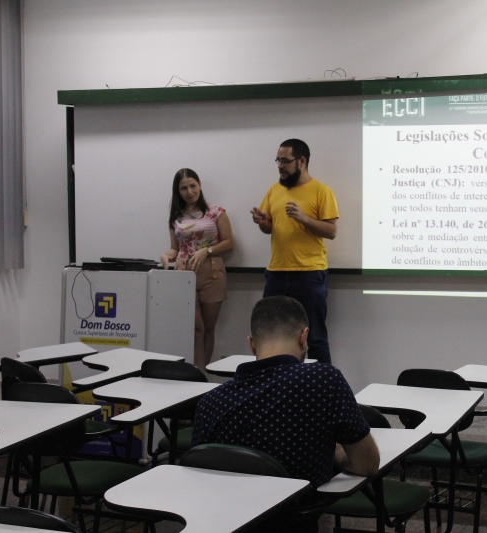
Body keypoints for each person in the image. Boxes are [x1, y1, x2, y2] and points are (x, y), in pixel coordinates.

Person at [191, 296, 379, 532]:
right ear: (304, 337)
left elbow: (199, 478)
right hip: (294, 523)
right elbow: (367, 464)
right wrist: (336, 454)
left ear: (251, 344)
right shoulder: (324, 381)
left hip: (225, 523)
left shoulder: (209, 403)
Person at [250, 139, 338, 365]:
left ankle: (323, 383)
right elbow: (269, 227)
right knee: (269, 335)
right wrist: (262, 221)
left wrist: (303, 218)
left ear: (302, 161)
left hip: (309, 274)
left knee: (314, 337)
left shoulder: (321, 191)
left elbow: (331, 231)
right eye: (278, 160)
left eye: (285, 161)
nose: (280, 166)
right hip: (276, 273)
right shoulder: (274, 190)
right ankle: (274, 380)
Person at [160, 168, 234, 371]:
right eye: (183, 188)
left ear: (199, 185)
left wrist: (207, 250)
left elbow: (229, 243)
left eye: (193, 186)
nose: (189, 191)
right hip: (185, 275)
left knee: (208, 329)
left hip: (212, 272)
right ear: (178, 191)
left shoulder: (216, 212)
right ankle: (197, 375)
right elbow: (175, 248)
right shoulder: (176, 217)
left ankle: (202, 374)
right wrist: (166, 256)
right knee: (195, 329)